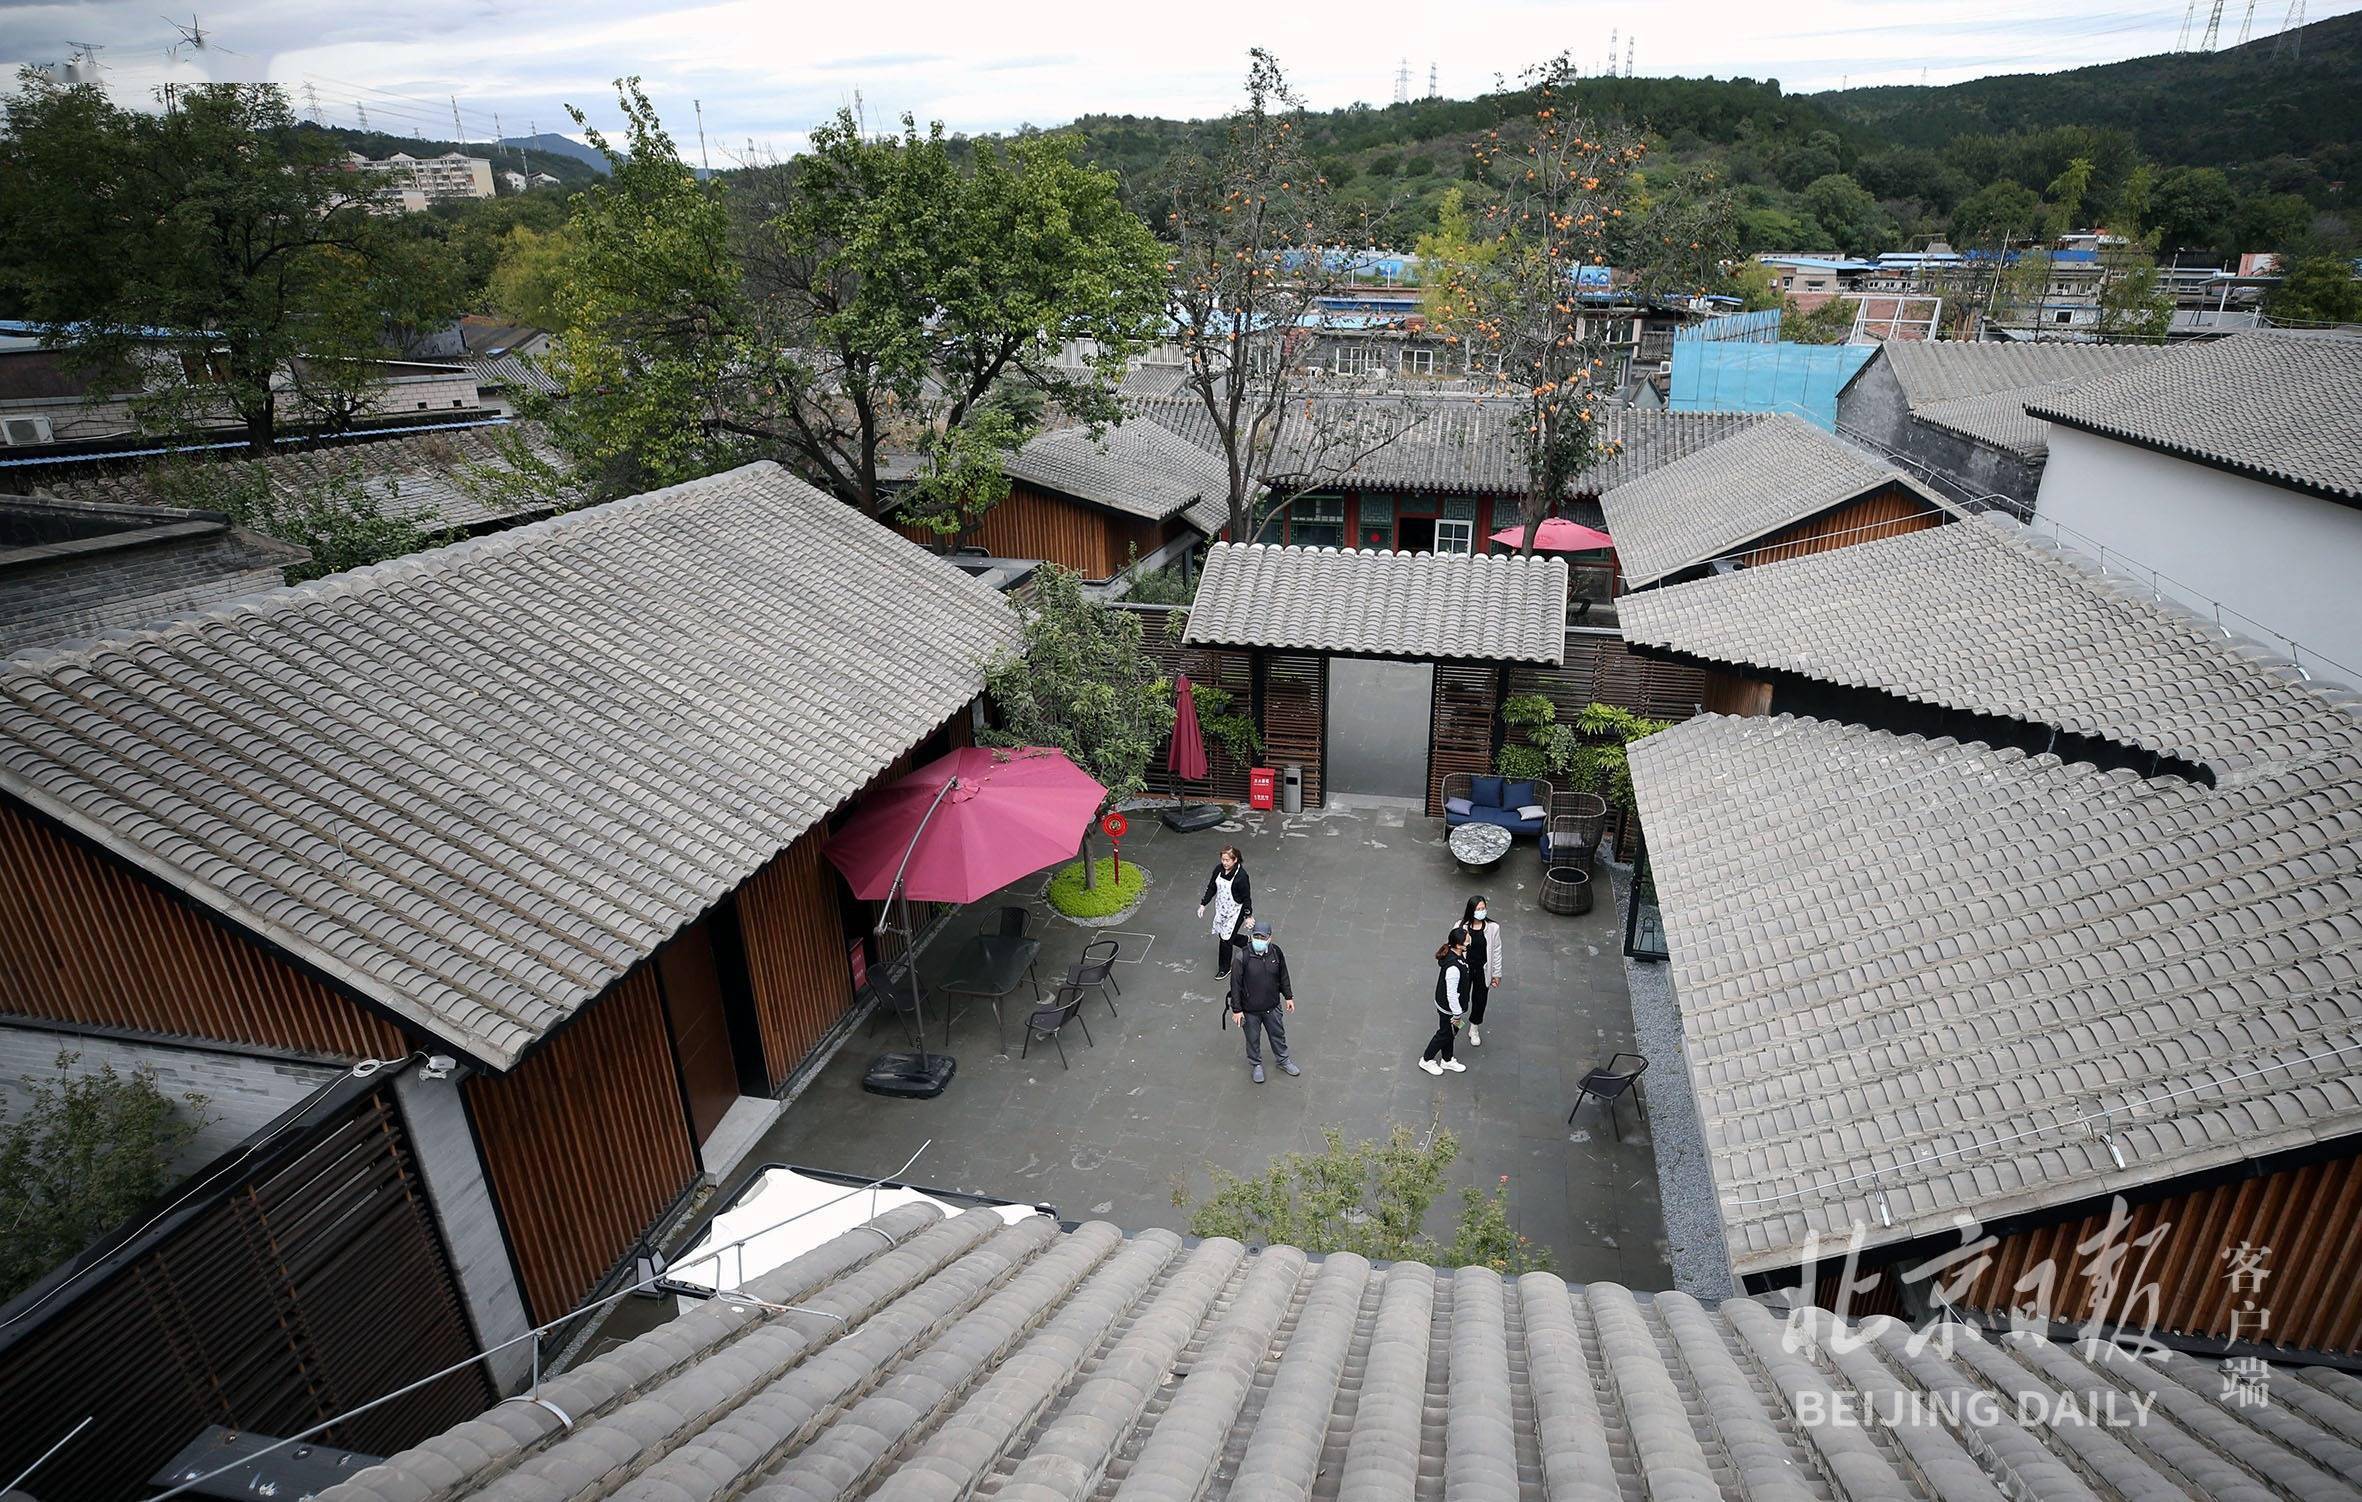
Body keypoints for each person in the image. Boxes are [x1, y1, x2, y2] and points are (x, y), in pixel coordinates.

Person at [1226, 919, 1299, 1083]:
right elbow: (1235, 985)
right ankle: (1256, 1064)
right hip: (1250, 1011)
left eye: (1262, 937)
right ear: (1251, 937)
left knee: (1278, 1034)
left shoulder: (1276, 952)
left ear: (1270, 938)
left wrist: (1288, 996)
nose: (1259, 940)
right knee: (1252, 1038)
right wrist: (1237, 1010)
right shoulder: (1242, 957)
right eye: (1256, 937)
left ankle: (1283, 1060)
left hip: (1272, 1007)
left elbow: (1283, 975)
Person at [1197, 846, 1253, 978]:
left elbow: (1246, 897)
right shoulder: (1218, 869)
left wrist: (1248, 916)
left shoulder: (1241, 876)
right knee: (1223, 933)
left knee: (1225, 940)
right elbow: (1212, 887)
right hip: (1222, 908)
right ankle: (1245, 941)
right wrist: (1203, 904)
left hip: (1235, 911)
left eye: (1227, 860)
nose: (1224, 863)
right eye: (1223, 859)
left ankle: (1224, 968)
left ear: (1235, 860)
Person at [1420, 927, 1470, 1075]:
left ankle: (1447, 1059)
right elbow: (1451, 993)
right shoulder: (1453, 968)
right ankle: (1426, 1059)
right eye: (1467, 940)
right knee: (1445, 1033)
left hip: (1448, 1006)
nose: (1469, 941)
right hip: (1449, 1008)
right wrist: (1457, 1013)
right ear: (1459, 945)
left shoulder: (1456, 953)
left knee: (1450, 1032)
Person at [1459, 895, 1505, 1047]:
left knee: (1480, 1000)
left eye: (1483, 908)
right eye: (1478, 909)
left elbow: (1497, 951)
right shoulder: (1460, 926)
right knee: (1461, 997)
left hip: (1483, 970)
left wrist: (1496, 973)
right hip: (1465, 970)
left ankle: (1474, 1028)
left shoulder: (1493, 928)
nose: (1481, 911)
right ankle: (1456, 1022)